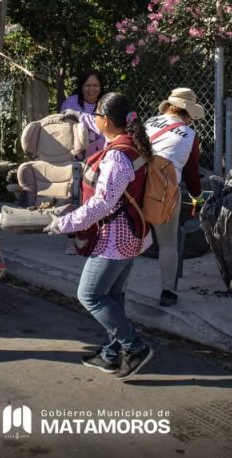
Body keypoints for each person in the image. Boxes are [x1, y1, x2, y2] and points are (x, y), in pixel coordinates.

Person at [48, 92, 154, 380]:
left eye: (96, 116)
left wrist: (64, 223)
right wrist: (77, 116)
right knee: (113, 295)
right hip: (133, 234)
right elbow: (93, 123)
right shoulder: (129, 143)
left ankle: (134, 346)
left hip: (115, 239)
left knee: (90, 295)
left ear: (107, 120)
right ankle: (111, 353)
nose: (93, 121)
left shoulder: (117, 157)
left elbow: (102, 203)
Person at [144, 88, 204, 307]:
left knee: (130, 240)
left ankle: (116, 288)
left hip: (136, 187)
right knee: (168, 244)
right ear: (186, 113)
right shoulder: (190, 136)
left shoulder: (149, 122)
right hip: (164, 193)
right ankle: (167, 292)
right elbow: (191, 175)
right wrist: (198, 197)